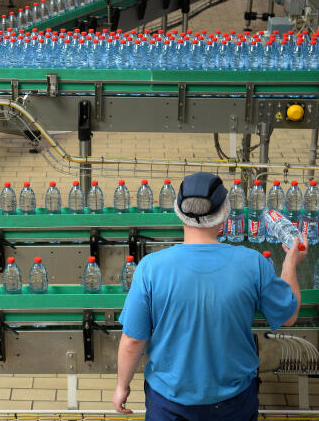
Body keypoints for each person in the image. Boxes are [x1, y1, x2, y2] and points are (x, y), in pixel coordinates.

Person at [112, 172, 306, 420]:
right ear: (225, 212)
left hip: (169, 402)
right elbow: (288, 316)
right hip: (233, 401)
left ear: (177, 211)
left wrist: (122, 386)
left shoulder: (150, 268)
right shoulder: (252, 263)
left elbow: (132, 341)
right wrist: (290, 264)